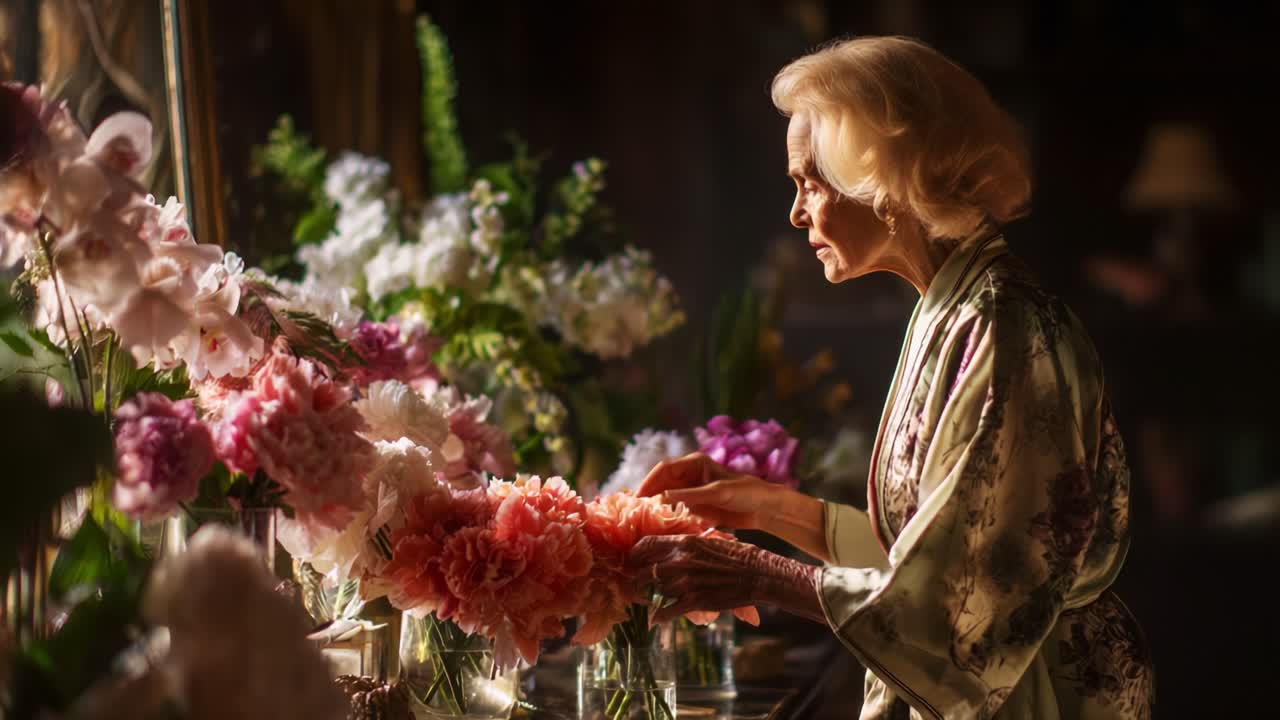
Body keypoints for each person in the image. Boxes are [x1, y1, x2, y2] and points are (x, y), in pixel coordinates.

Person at [630, 36, 1154, 719]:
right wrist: (764, 507)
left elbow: (969, 601)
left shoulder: (1003, 325)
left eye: (809, 183)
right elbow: (934, 550)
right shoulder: (957, 307)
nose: (795, 213)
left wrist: (758, 575)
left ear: (880, 179)